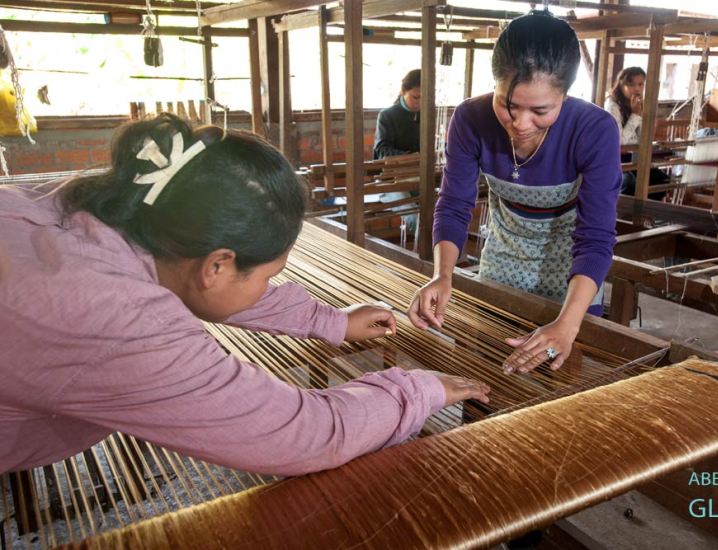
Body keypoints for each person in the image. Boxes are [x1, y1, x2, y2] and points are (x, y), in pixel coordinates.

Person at [0, 113, 490, 476]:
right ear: (217, 265)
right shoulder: (119, 320)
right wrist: (417, 389)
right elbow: (306, 434)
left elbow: (210, 283)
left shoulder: (97, 205)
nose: (266, 285)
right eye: (268, 274)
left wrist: (329, 320)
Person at [407, 12, 621, 375]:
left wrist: (568, 324)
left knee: (564, 385)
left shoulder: (594, 129)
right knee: (489, 374)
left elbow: (596, 236)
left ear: (565, 95)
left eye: (540, 110)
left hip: (573, 272)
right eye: (508, 105)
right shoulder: (470, 119)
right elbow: (454, 205)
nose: (521, 124)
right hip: (503, 259)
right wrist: (443, 275)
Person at [604, 66, 669, 197]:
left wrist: (648, 119)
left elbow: (643, 138)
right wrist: (635, 115)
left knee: (661, 180)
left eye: (640, 84)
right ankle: (626, 210)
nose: (637, 89)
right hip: (616, 159)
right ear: (621, 85)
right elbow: (619, 142)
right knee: (630, 183)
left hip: (635, 157)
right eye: (632, 84)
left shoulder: (637, 104)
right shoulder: (612, 106)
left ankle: (646, 210)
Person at [373, 69, 421, 160]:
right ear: (403, 91)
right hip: (396, 168)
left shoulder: (426, 115)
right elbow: (382, 151)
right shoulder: (387, 116)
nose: (420, 102)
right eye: (415, 97)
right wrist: (410, 156)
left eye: (425, 98)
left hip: (422, 166)